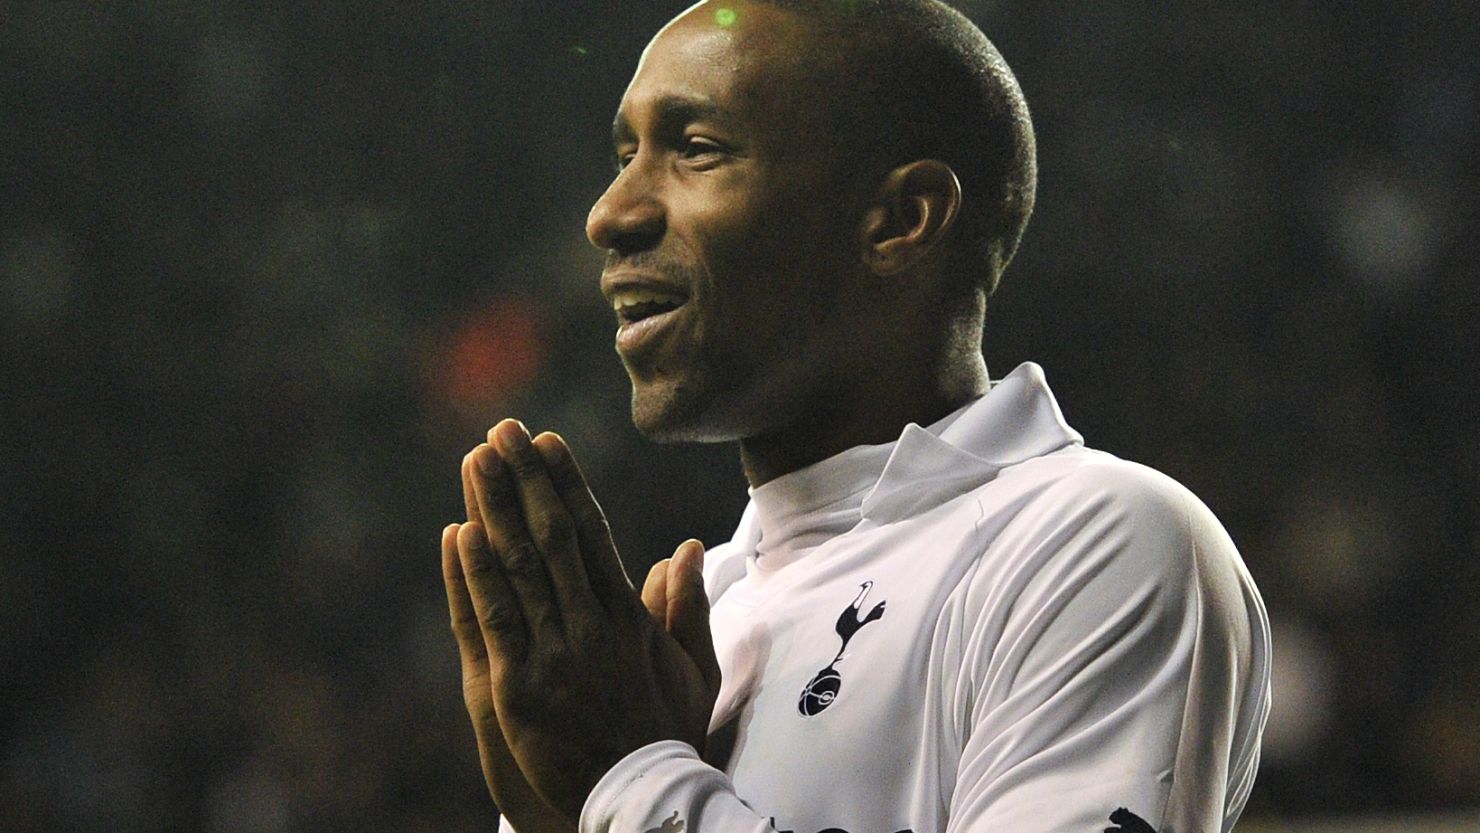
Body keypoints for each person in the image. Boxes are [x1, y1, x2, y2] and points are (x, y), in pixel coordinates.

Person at [440, 1, 1271, 832]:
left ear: (902, 219)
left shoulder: (1093, 543)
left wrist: (629, 778)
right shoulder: (697, 629)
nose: (610, 213)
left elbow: (634, 780)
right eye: (626, 155)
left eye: (694, 150)